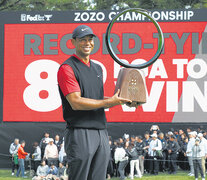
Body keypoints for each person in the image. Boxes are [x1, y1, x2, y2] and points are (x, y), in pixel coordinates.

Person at [57, 25, 131, 180]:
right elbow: (76, 102)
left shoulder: (97, 68)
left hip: (101, 132)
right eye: (82, 40)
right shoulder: (67, 68)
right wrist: (109, 102)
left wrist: (119, 101)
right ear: (73, 42)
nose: (87, 43)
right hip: (79, 132)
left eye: (90, 39)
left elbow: (96, 99)